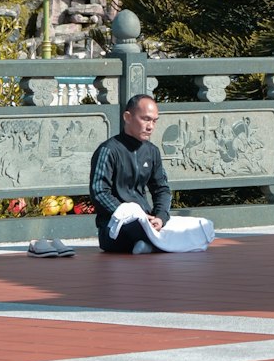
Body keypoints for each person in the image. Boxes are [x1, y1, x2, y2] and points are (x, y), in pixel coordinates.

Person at [90, 94, 213, 254]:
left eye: (154, 121)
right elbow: (99, 192)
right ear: (127, 117)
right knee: (135, 227)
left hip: (147, 220)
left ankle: (149, 243)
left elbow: (161, 189)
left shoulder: (152, 151)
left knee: (200, 225)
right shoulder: (108, 150)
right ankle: (152, 243)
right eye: (146, 119)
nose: (150, 126)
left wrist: (160, 217)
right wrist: (129, 214)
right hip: (116, 223)